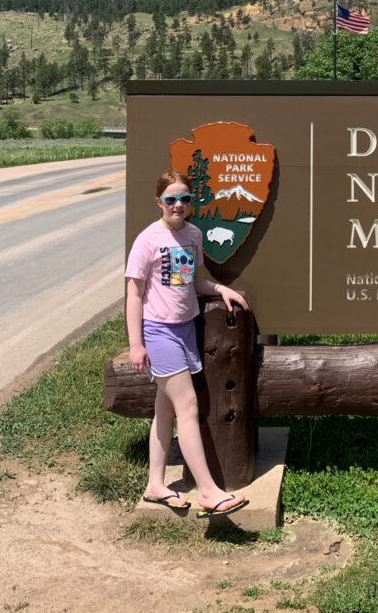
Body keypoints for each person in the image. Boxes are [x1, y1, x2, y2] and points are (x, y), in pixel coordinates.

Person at [125, 169, 249, 517]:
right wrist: (137, 344)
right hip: (158, 331)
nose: (177, 205)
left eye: (184, 199)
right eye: (170, 200)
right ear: (158, 202)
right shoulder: (147, 240)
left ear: (191, 203)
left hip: (184, 330)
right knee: (189, 407)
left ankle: (155, 485)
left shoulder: (194, 234)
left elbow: (193, 282)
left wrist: (221, 288)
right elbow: (134, 295)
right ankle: (209, 492)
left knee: (165, 409)